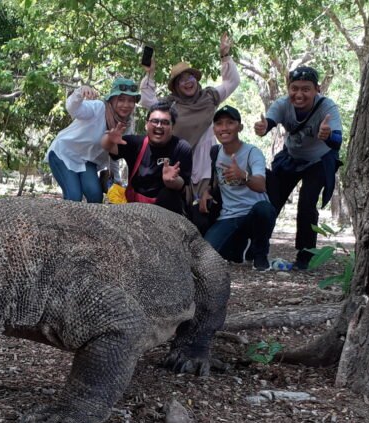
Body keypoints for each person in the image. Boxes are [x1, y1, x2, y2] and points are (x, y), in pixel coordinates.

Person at [140, 34, 240, 218]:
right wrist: (149, 73)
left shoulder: (209, 97)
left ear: (196, 79)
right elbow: (147, 99)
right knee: (175, 209)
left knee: (206, 210)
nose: (187, 82)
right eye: (181, 80)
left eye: (190, 77)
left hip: (206, 164)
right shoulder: (171, 104)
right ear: (176, 86)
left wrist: (225, 56)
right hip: (180, 164)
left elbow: (232, 82)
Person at [254, 66, 343, 269]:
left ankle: (305, 255)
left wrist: (328, 135)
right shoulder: (283, 104)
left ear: (316, 89)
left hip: (319, 160)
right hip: (291, 158)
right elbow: (269, 122)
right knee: (271, 201)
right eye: (294, 88)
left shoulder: (327, 107)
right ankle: (257, 250)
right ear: (288, 88)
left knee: (307, 203)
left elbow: (337, 141)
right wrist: (263, 128)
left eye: (306, 89)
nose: (299, 94)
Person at [200, 106, 276, 270]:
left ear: (240, 127)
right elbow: (214, 179)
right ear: (214, 129)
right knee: (207, 256)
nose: (224, 128)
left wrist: (244, 175)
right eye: (219, 124)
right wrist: (206, 192)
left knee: (265, 209)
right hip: (229, 215)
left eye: (230, 123)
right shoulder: (216, 152)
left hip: (252, 214)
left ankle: (260, 253)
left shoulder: (252, 153)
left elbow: (261, 185)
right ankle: (242, 247)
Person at [46, 78, 140, 203]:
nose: (126, 105)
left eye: (130, 101)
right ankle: (64, 222)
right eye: (121, 99)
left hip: (88, 161)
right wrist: (80, 91)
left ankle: (87, 222)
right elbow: (73, 109)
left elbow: (114, 153)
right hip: (64, 153)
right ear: (111, 100)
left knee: (95, 197)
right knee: (74, 196)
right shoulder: (98, 108)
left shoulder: (126, 125)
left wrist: (116, 181)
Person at [101, 101, 192, 214]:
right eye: (155, 121)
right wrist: (110, 139)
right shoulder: (135, 143)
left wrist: (171, 181)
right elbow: (109, 147)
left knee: (168, 195)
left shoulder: (182, 147)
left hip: (167, 209)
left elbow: (183, 186)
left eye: (165, 122)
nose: (159, 125)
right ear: (146, 124)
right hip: (136, 207)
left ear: (172, 127)